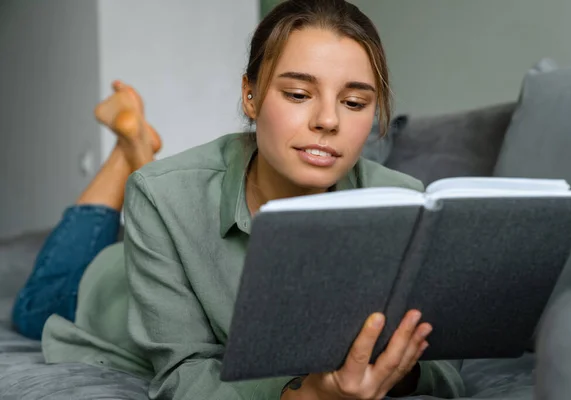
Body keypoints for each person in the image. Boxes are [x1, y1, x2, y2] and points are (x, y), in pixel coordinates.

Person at [33, 0, 466, 399]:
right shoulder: (161, 195)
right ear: (251, 96)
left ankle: (138, 148)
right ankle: (129, 152)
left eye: (354, 102)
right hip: (106, 290)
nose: (329, 120)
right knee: (38, 301)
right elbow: (182, 376)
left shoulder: (404, 203)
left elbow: (445, 368)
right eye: (298, 95)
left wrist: (392, 368)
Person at [11, 80, 161, 340]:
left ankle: (136, 146)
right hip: (128, 288)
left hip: (115, 305)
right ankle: (129, 146)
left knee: (29, 310)